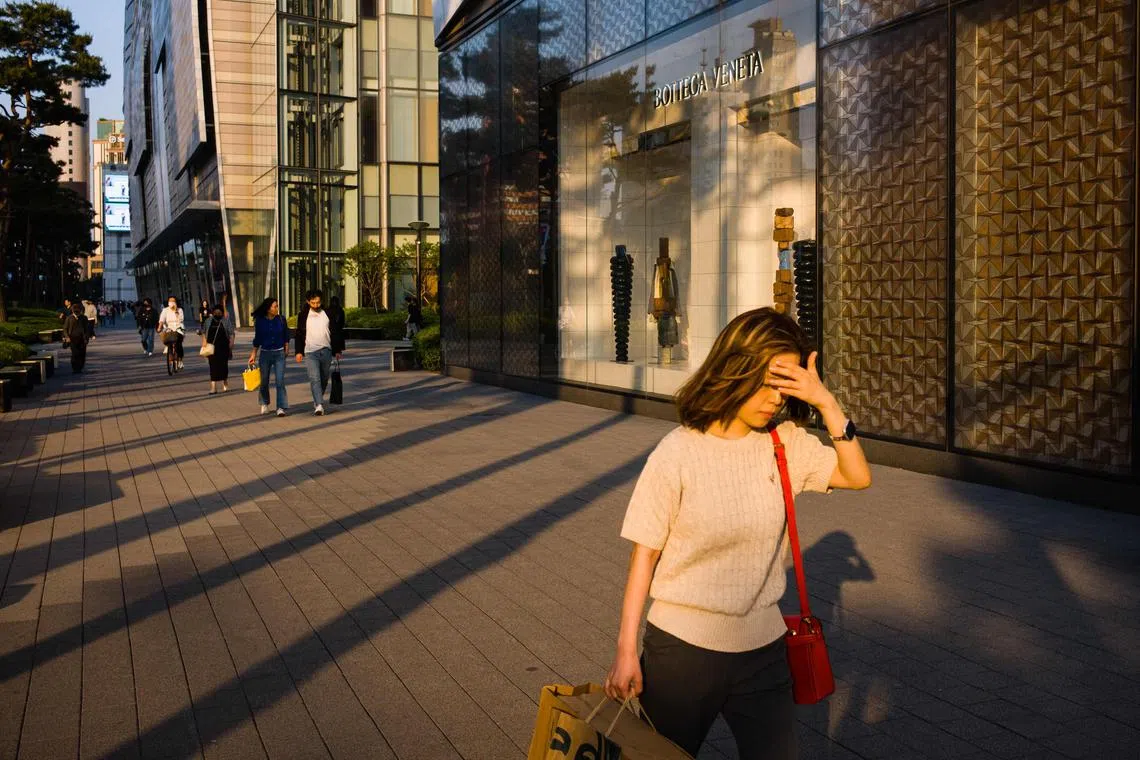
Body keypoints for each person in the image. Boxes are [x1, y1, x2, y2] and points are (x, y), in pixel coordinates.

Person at [603, 308, 872, 759]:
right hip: (682, 654)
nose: (773, 400)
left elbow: (857, 475)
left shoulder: (783, 444)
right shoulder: (678, 452)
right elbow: (643, 557)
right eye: (765, 383)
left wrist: (827, 403)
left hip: (764, 651)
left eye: (782, 387)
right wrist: (626, 650)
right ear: (734, 370)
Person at [293, 289, 344, 416]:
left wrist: (337, 350)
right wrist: (298, 351)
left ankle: (317, 399)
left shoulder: (328, 313)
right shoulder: (303, 315)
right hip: (310, 352)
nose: (316, 305)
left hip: (326, 350)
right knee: (314, 378)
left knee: (324, 378)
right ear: (308, 302)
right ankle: (319, 405)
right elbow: (299, 334)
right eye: (313, 303)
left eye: (318, 302)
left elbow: (336, 332)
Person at [249, 297, 290, 416]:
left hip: (279, 353)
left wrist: (287, 347)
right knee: (264, 381)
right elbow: (257, 339)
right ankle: (264, 403)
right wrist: (253, 354)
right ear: (268, 309)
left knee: (280, 381)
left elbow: (286, 334)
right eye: (275, 306)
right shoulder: (260, 321)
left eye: (277, 306)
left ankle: (280, 407)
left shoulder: (281, 319)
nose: (277, 308)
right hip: (265, 354)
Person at [201, 303, 231, 394]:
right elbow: (204, 332)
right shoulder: (208, 321)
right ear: (213, 312)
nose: (218, 313)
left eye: (219, 312)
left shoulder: (225, 321)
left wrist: (231, 344)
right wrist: (204, 342)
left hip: (224, 347)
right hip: (211, 347)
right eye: (216, 312)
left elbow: (231, 332)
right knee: (213, 366)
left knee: (224, 366)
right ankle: (213, 387)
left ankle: (225, 383)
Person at [157, 296, 186, 369]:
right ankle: (170, 353)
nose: (171, 302)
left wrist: (176, 311)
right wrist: (159, 327)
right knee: (166, 339)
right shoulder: (165, 310)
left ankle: (180, 360)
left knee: (178, 343)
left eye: (173, 301)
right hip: (169, 328)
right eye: (170, 301)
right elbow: (162, 319)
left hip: (178, 327)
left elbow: (181, 319)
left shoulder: (180, 310)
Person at [62, 303, 90, 373]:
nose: (77, 314)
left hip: (82, 339)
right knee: (75, 354)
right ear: (73, 311)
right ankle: (75, 368)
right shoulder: (69, 318)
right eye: (76, 313)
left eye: (79, 312)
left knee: (82, 354)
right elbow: (65, 329)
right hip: (72, 339)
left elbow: (87, 329)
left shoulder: (84, 318)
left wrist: (87, 338)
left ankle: (80, 367)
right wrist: (67, 337)